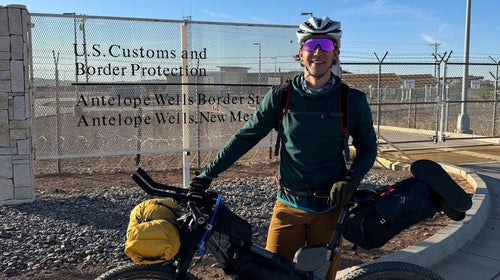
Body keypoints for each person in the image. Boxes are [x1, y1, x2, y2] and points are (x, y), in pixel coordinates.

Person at [190, 16, 377, 279]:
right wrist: (207, 175)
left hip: (329, 209)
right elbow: (246, 137)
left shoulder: (352, 100)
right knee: (269, 275)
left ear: (336, 52)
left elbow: (368, 148)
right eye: (311, 45)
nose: (318, 52)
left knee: (320, 277)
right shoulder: (281, 96)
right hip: (288, 205)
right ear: (300, 53)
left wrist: (352, 179)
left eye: (325, 44)